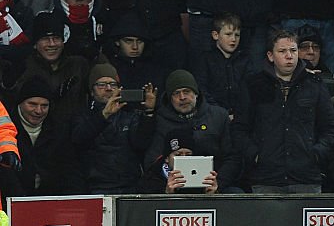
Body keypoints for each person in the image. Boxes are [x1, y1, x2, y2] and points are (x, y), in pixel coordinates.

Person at [232, 29, 334, 193]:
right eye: (282, 51)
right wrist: (255, 155)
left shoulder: (315, 85)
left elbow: (330, 128)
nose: (289, 56)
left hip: (306, 178)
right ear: (270, 56)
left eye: (293, 50)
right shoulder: (253, 85)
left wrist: (316, 154)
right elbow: (239, 128)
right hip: (265, 178)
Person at [142, 69, 240, 192]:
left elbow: (232, 157)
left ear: (196, 93)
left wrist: (218, 183)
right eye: (176, 93)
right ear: (169, 98)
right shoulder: (160, 120)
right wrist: (166, 188)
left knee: (235, 193)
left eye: (186, 92)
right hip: (173, 189)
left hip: (214, 186)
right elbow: (152, 162)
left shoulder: (219, 116)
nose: (182, 97)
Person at [71, 63, 157, 194]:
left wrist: (149, 112)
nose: (108, 88)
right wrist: (104, 115)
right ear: (91, 90)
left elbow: (141, 143)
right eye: (101, 85)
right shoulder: (82, 115)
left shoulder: (130, 115)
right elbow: (79, 139)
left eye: (113, 85)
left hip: (128, 186)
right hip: (93, 187)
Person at [0, 77, 74, 198]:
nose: (38, 111)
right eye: (32, 104)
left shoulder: (59, 130)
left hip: (50, 201)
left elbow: (69, 169)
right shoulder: (7, 129)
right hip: (12, 201)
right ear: (21, 103)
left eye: (44, 105)